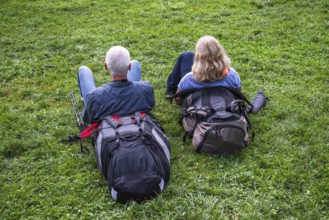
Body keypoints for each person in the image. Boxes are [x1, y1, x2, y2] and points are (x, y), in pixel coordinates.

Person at [78, 46, 155, 124]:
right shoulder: (146, 89)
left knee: (83, 70)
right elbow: (150, 105)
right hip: (137, 124)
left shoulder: (94, 97)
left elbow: (87, 119)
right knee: (135, 62)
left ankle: (83, 99)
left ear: (105, 66)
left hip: (109, 128)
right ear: (129, 66)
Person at [166, 35, 241, 105]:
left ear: (198, 57)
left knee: (186, 55)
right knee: (187, 55)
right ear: (221, 53)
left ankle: (170, 89)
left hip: (199, 109)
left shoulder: (189, 79)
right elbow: (237, 94)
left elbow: (178, 100)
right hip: (223, 103)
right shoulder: (232, 75)